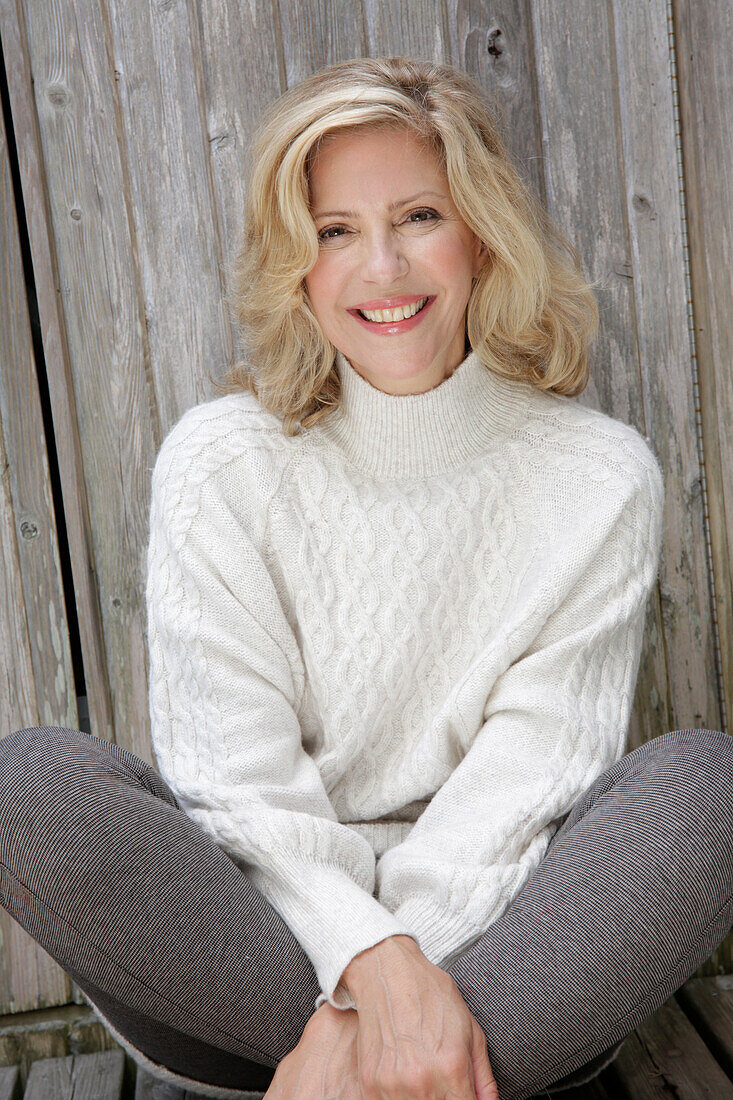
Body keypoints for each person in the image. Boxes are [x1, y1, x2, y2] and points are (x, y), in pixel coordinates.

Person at [0, 54, 731, 1100]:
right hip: (257, 949)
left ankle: (347, 1073)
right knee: (28, 787)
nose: (380, 268)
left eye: (419, 215)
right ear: (296, 263)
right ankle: (402, 1065)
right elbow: (236, 789)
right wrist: (363, 969)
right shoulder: (222, 462)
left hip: (502, 956)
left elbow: (526, 788)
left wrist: (400, 986)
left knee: (708, 789)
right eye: (334, 230)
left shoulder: (597, 478)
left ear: (482, 231)